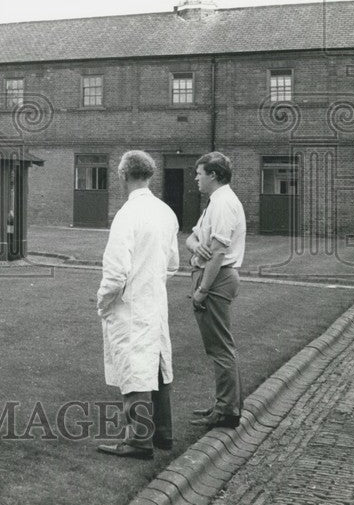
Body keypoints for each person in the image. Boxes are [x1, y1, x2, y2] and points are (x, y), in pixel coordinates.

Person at [96, 151, 180, 460]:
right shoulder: (165, 212)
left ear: (123, 176)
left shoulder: (127, 214)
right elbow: (172, 263)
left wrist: (103, 302)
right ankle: (163, 435)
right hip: (154, 300)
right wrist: (152, 283)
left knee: (135, 367)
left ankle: (138, 441)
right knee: (156, 364)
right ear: (150, 175)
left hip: (130, 303)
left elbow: (116, 271)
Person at [188, 151, 246, 430]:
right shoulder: (215, 202)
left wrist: (202, 289)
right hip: (216, 274)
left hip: (217, 278)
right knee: (220, 346)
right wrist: (196, 246)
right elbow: (192, 238)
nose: (196, 178)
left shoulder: (223, 204)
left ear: (213, 175)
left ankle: (226, 411)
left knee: (221, 348)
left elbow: (219, 251)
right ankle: (226, 405)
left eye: (199, 173)